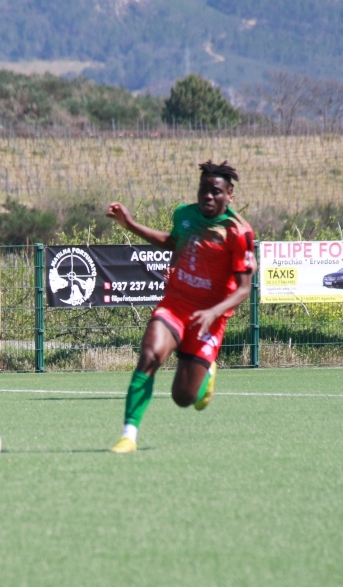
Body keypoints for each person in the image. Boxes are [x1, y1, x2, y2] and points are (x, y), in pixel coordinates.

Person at [106, 160, 256, 453]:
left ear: (229, 194)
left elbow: (244, 289)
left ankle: (207, 371)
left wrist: (214, 312)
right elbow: (173, 242)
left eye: (215, 191)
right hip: (175, 305)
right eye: (203, 190)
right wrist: (131, 225)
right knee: (149, 356)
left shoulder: (239, 232)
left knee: (183, 398)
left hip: (209, 319)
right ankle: (128, 435)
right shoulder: (184, 215)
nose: (207, 196)